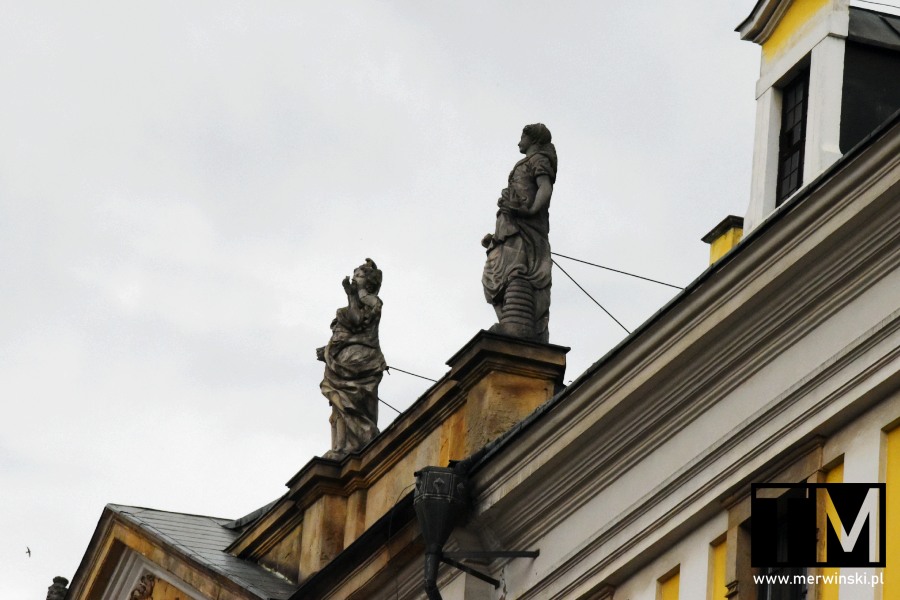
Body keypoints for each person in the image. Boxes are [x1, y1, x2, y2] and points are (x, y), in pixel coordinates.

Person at [482, 123, 557, 342]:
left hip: (526, 225)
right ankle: (508, 323)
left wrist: (531, 210)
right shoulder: (524, 163)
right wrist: (496, 237)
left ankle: (520, 328)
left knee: (517, 271)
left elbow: (545, 187)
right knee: (493, 274)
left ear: (532, 139)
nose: (518, 142)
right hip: (510, 223)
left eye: (522, 137)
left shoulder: (538, 160)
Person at [317, 259, 387, 459]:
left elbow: (363, 318)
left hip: (362, 361)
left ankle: (359, 443)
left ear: (369, 282)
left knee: (355, 402)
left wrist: (358, 294)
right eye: (355, 274)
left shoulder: (371, 303)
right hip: (341, 362)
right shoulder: (349, 306)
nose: (354, 278)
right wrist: (329, 350)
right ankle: (341, 447)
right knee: (339, 403)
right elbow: (343, 336)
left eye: (359, 275)